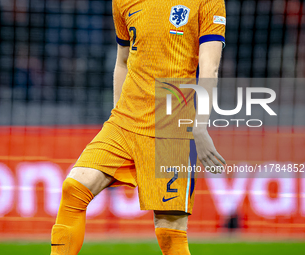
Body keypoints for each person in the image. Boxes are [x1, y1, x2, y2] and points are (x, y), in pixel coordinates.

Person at [50, 0, 226, 254]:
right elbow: (122, 61)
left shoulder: (208, 2)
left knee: (169, 230)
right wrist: (117, 115)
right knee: (74, 188)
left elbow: (210, 66)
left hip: (172, 126)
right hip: (125, 120)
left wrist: (200, 125)